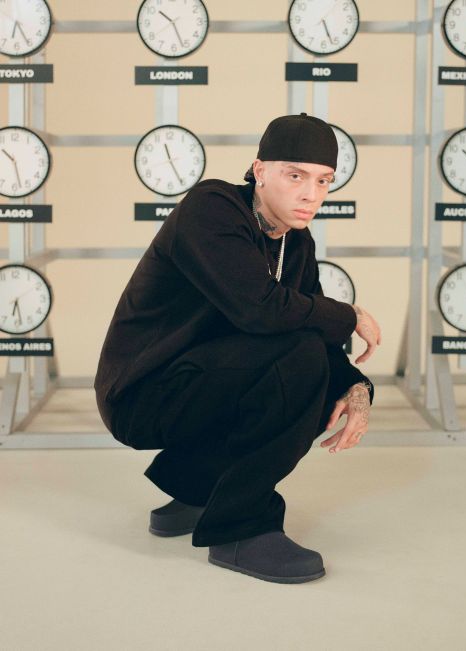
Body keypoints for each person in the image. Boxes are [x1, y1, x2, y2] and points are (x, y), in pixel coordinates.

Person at [94, 112, 381, 584]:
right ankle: (241, 529)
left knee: (315, 367)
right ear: (259, 170)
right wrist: (350, 315)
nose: (311, 194)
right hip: (143, 393)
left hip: (200, 380)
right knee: (299, 360)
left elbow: (311, 328)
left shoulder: (296, 244)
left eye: (323, 181)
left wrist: (356, 387)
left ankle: (199, 491)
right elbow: (259, 309)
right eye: (295, 176)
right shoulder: (212, 207)